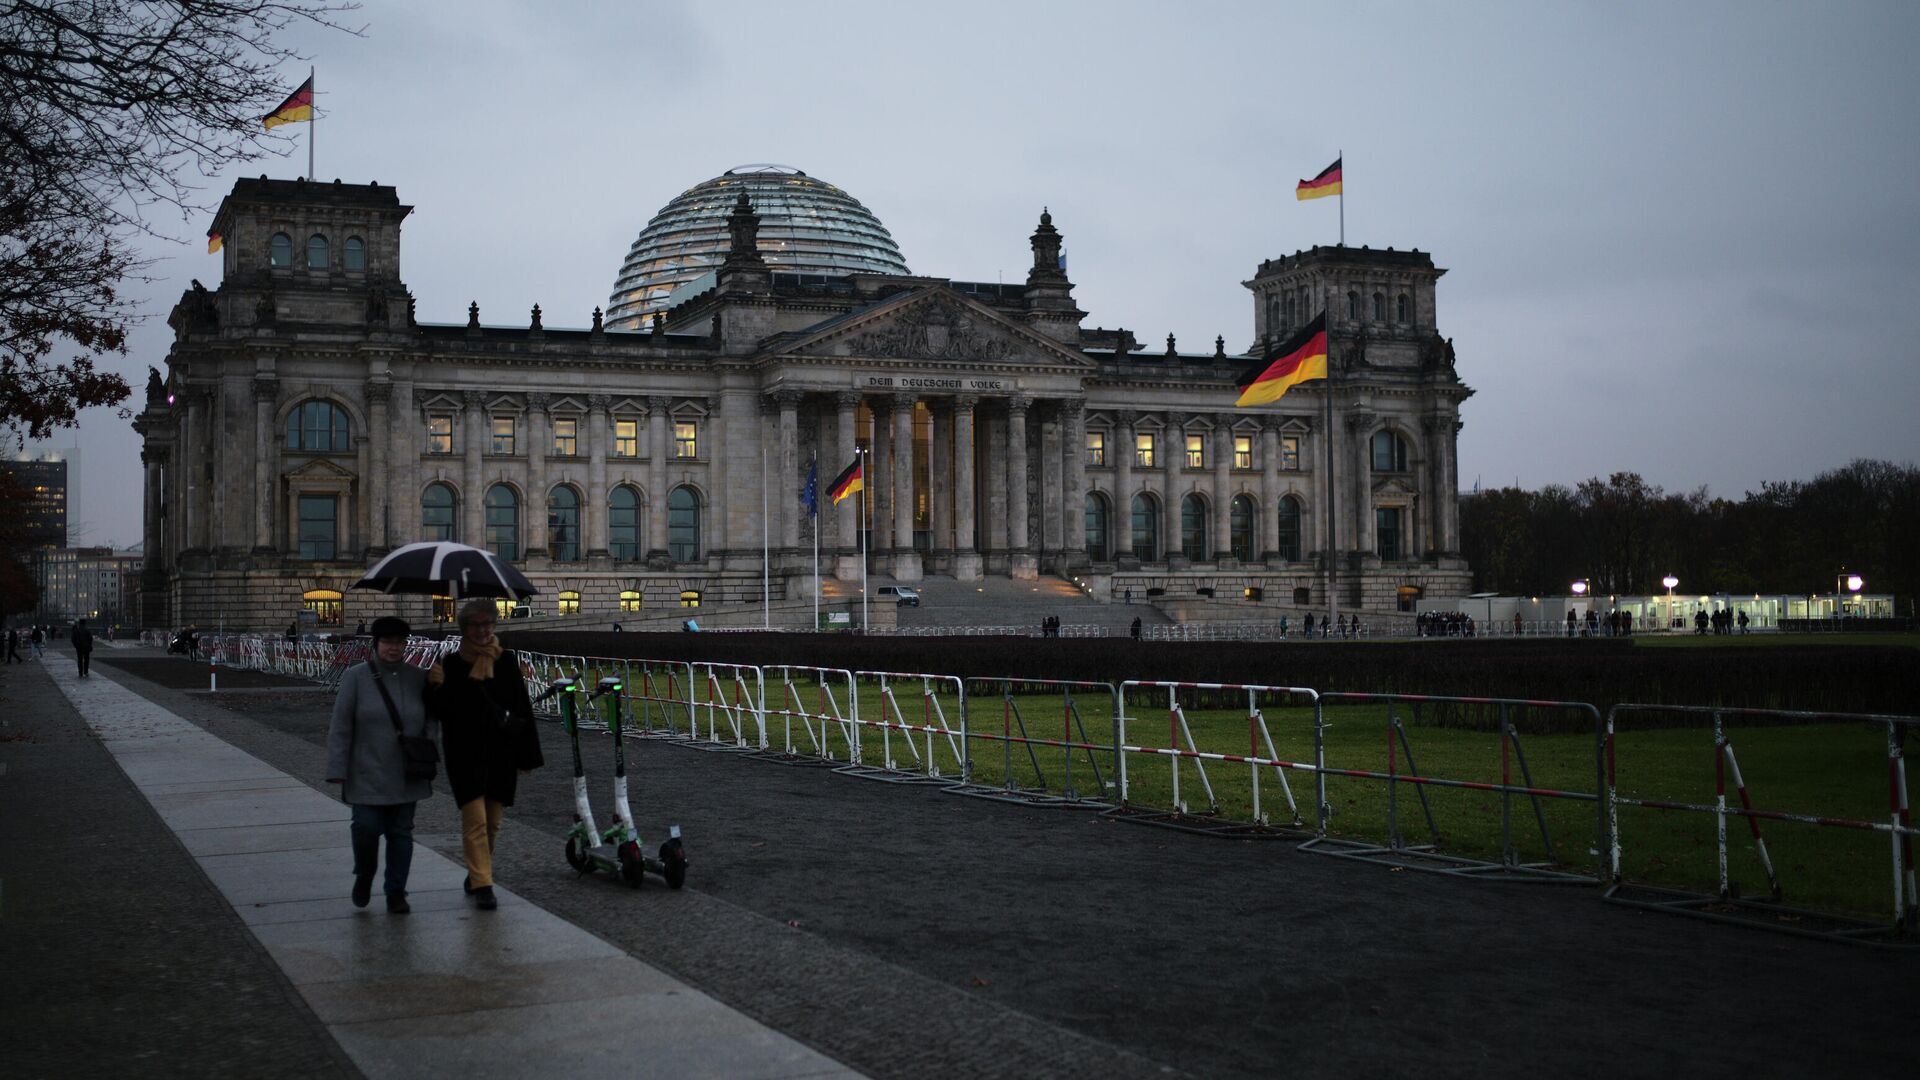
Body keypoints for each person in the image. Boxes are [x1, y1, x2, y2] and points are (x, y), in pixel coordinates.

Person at [428, 599, 544, 912]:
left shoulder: (506, 661)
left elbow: (521, 708)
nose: (482, 630)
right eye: (475, 625)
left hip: (500, 752)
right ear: (464, 629)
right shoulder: (450, 664)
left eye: (487, 624)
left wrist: (527, 756)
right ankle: (483, 884)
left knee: (493, 822)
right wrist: (435, 687)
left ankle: (477, 871)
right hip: (464, 752)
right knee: (475, 820)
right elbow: (441, 712)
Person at [326, 616, 435, 914]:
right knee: (365, 828)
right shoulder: (355, 677)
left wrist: (429, 747)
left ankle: (396, 891)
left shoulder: (419, 677)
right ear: (376, 644)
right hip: (366, 771)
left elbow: (432, 719)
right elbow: (340, 725)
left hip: (406, 774)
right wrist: (337, 767)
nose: (394, 648)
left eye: (400, 642)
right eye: (388, 642)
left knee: (401, 834)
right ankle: (364, 874)